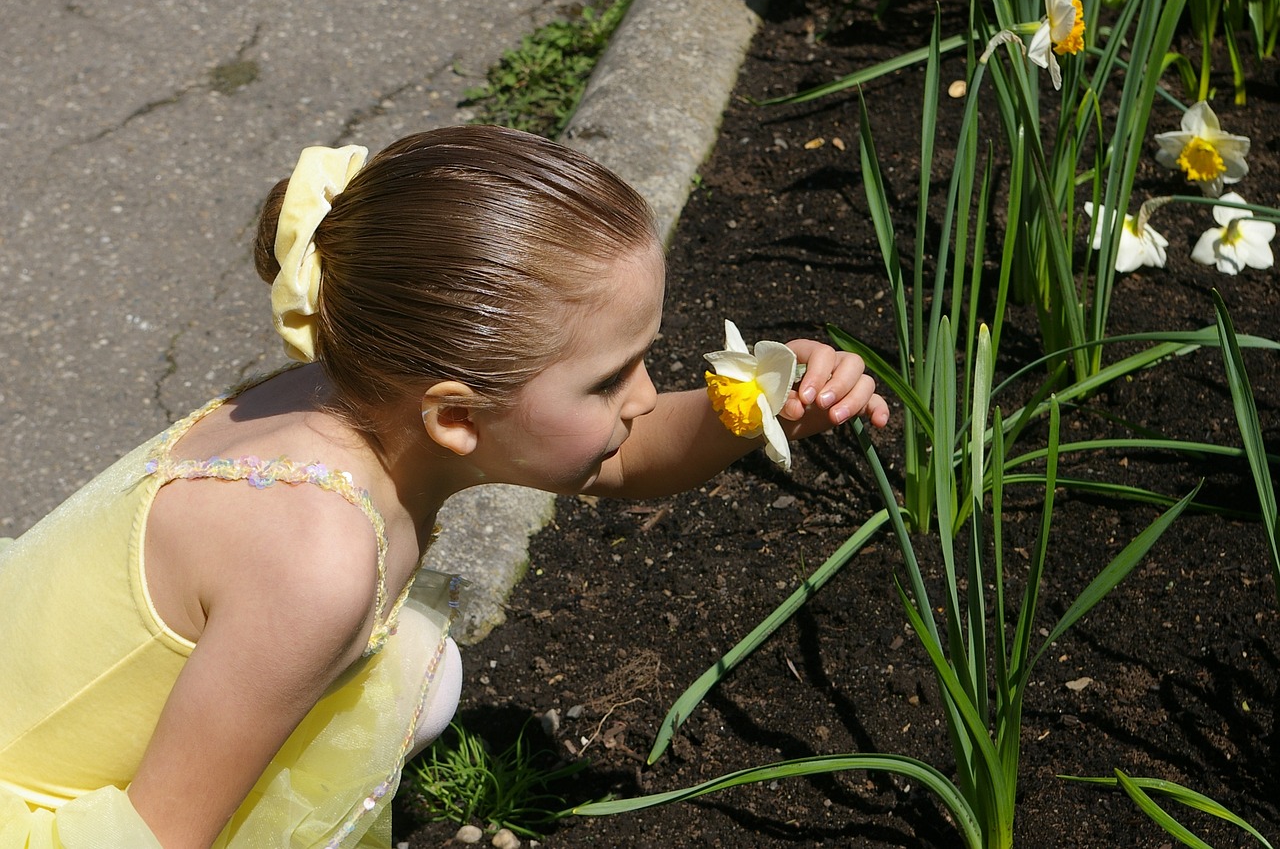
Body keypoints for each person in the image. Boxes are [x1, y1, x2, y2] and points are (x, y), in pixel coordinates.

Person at [0, 125, 890, 849]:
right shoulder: (314, 560)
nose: (647, 395)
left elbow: (617, 454)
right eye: (611, 378)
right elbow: (155, 836)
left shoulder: (352, 380)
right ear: (457, 418)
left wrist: (752, 406)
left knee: (424, 676)